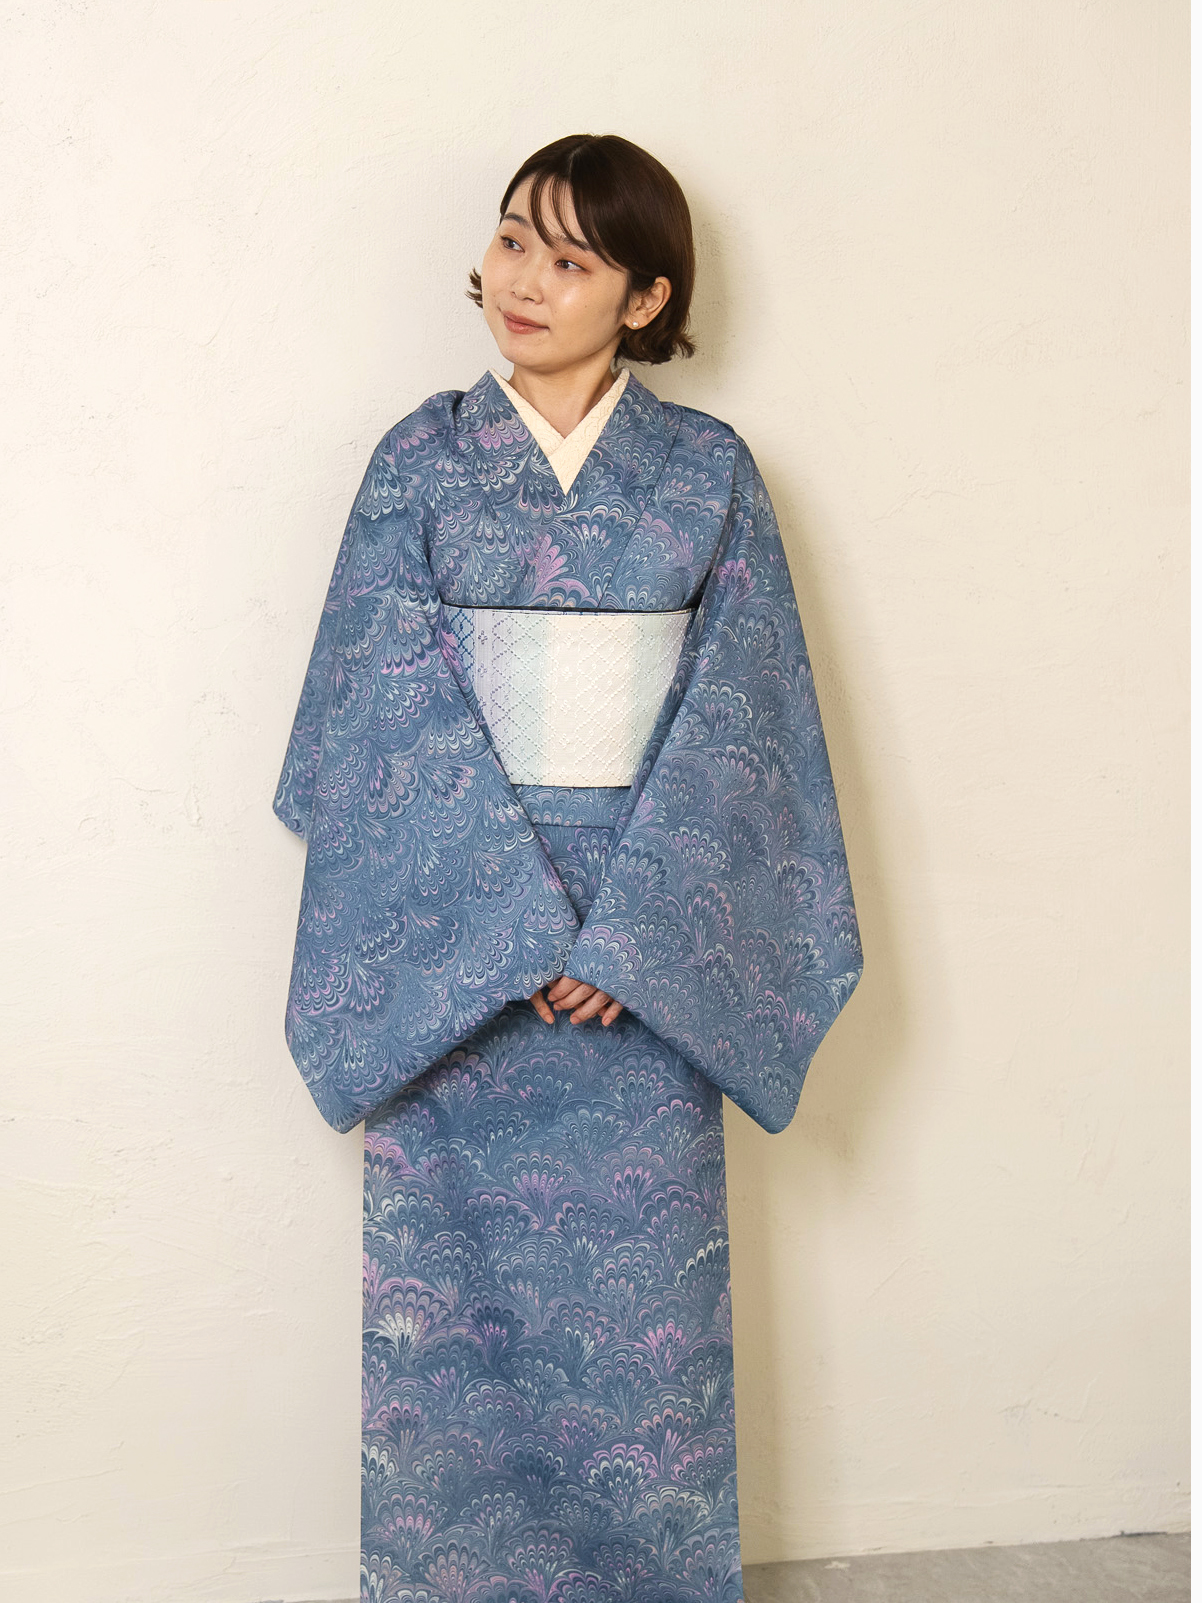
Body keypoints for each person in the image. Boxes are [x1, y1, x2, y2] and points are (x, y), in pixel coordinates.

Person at [274, 132, 863, 1603]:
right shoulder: (419, 462)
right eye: (512, 240)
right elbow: (373, 710)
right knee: (443, 1309)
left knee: (644, 1307)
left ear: (645, 297)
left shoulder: (707, 475)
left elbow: (748, 727)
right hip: (454, 948)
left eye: (572, 258)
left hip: (643, 949)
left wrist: (629, 939)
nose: (524, 280)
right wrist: (507, 924)